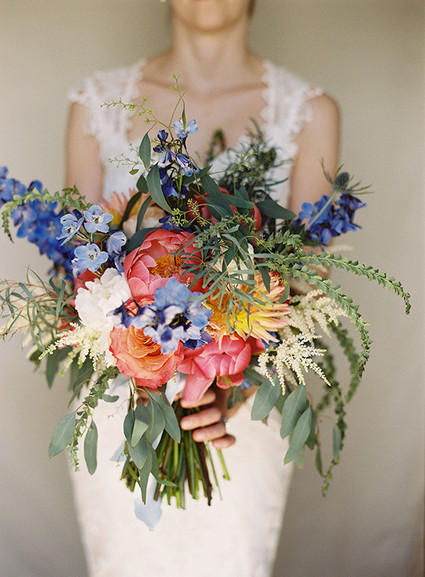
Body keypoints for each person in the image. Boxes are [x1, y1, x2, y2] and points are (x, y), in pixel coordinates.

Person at [65, 1, 339, 576]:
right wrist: (141, 353)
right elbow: (79, 273)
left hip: (244, 416)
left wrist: (228, 386)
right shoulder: (94, 105)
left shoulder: (310, 113)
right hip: (123, 407)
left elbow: (309, 289)